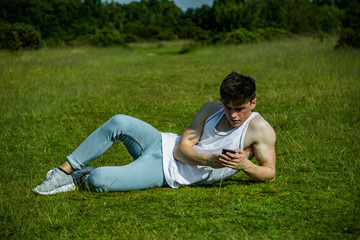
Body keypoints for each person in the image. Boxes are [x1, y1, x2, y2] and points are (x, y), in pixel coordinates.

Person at [33, 72, 276, 195]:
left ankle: (81, 178)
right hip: (162, 142)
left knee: (99, 181)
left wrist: (245, 165)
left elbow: (270, 173)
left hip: (166, 172)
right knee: (119, 121)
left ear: (253, 103)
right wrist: (208, 161)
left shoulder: (260, 129)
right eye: (228, 108)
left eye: (240, 109)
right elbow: (182, 150)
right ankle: (62, 172)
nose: (233, 115)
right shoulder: (211, 108)